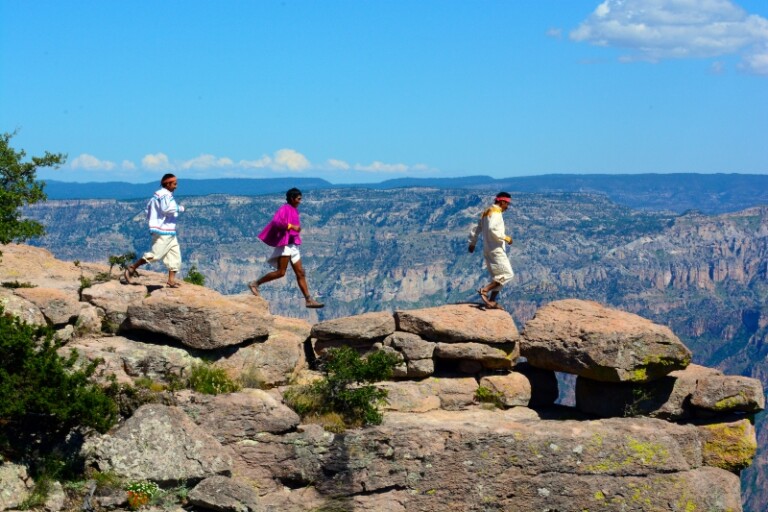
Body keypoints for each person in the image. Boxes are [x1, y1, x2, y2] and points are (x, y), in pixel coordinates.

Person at [249, 188, 324, 308]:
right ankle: (255, 283)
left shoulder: (294, 210)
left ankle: (308, 300)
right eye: (298, 199)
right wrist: (291, 226)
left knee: (300, 273)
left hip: (293, 245)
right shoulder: (284, 209)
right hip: (285, 245)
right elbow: (276, 222)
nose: (300, 201)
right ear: (292, 199)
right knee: (281, 272)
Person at [123, 173, 185, 287]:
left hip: (169, 231)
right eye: (174, 184)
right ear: (168, 184)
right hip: (164, 231)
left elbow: (149, 209)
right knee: (155, 254)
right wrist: (179, 208)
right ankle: (132, 268)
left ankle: (171, 281)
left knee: (175, 255)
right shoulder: (164, 195)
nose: (176, 186)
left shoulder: (160, 195)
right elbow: (166, 209)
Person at [468, 191, 515, 310]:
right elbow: (492, 229)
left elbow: (477, 228)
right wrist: (506, 238)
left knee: (499, 277)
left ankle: (491, 301)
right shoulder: (496, 213)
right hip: (496, 249)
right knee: (508, 274)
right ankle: (485, 290)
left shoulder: (486, 211)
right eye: (507, 204)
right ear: (502, 201)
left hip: (487, 248)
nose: (507, 207)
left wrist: (472, 243)